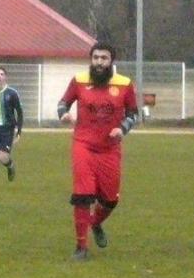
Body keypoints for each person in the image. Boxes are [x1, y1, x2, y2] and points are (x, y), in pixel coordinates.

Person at [58, 42, 138, 261]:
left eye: (104, 58)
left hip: (110, 150)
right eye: (96, 58)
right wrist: (63, 114)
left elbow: (133, 114)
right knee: (83, 196)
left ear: (111, 61)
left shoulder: (125, 84)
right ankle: (81, 247)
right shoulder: (79, 81)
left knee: (111, 200)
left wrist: (122, 129)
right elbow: (63, 103)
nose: (99, 62)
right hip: (83, 145)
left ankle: (96, 223)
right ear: (91, 60)